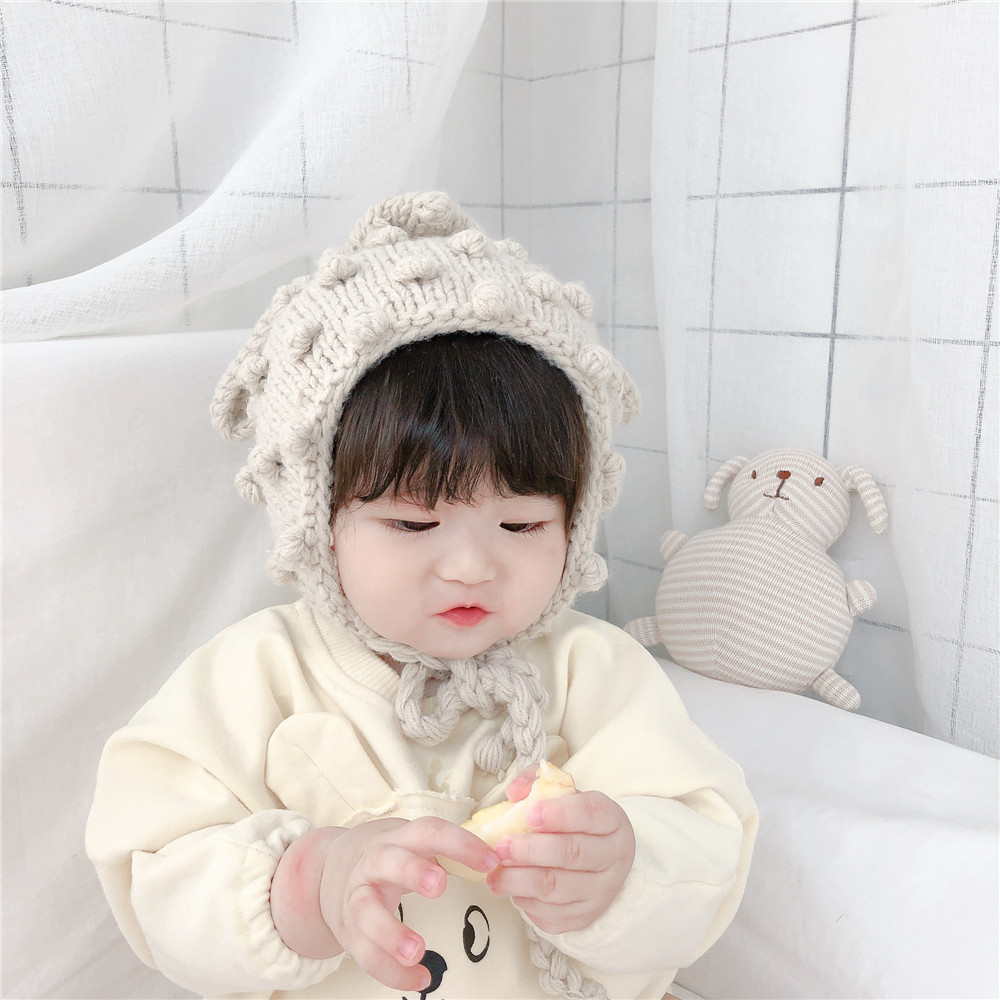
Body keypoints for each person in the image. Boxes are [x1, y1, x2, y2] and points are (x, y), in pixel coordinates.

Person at [86, 191, 757, 1000]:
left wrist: (624, 870)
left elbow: (707, 844)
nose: (471, 566)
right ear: (317, 521)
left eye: (520, 524)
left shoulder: (593, 673)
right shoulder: (256, 674)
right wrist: (308, 885)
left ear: (576, 521)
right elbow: (157, 868)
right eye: (412, 523)